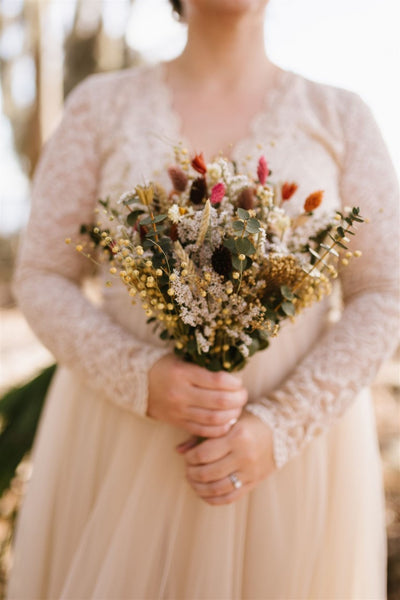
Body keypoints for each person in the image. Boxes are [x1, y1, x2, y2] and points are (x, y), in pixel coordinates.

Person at [7, 0, 399, 598]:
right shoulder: (99, 107)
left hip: (294, 468)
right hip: (121, 447)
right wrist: (138, 377)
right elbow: (41, 274)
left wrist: (283, 425)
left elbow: (383, 291)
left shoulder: (341, 116)